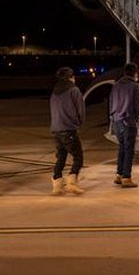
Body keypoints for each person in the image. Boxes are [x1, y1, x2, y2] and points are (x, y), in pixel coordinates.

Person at [50, 67, 86, 195]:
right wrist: (79, 123)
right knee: (78, 157)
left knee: (61, 157)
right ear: (70, 77)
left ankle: (57, 185)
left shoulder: (55, 91)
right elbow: (80, 110)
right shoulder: (74, 90)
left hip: (56, 130)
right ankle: (71, 182)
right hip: (68, 129)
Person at [109, 63, 139, 188]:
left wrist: (112, 118)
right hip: (128, 121)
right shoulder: (135, 86)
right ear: (134, 73)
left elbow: (111, 102)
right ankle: (127, 177)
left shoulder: (116, 85)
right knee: (129, 151)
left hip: (116, 121)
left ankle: (119, 174)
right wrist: (135, 121)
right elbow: (136, 106)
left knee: (122, 148)